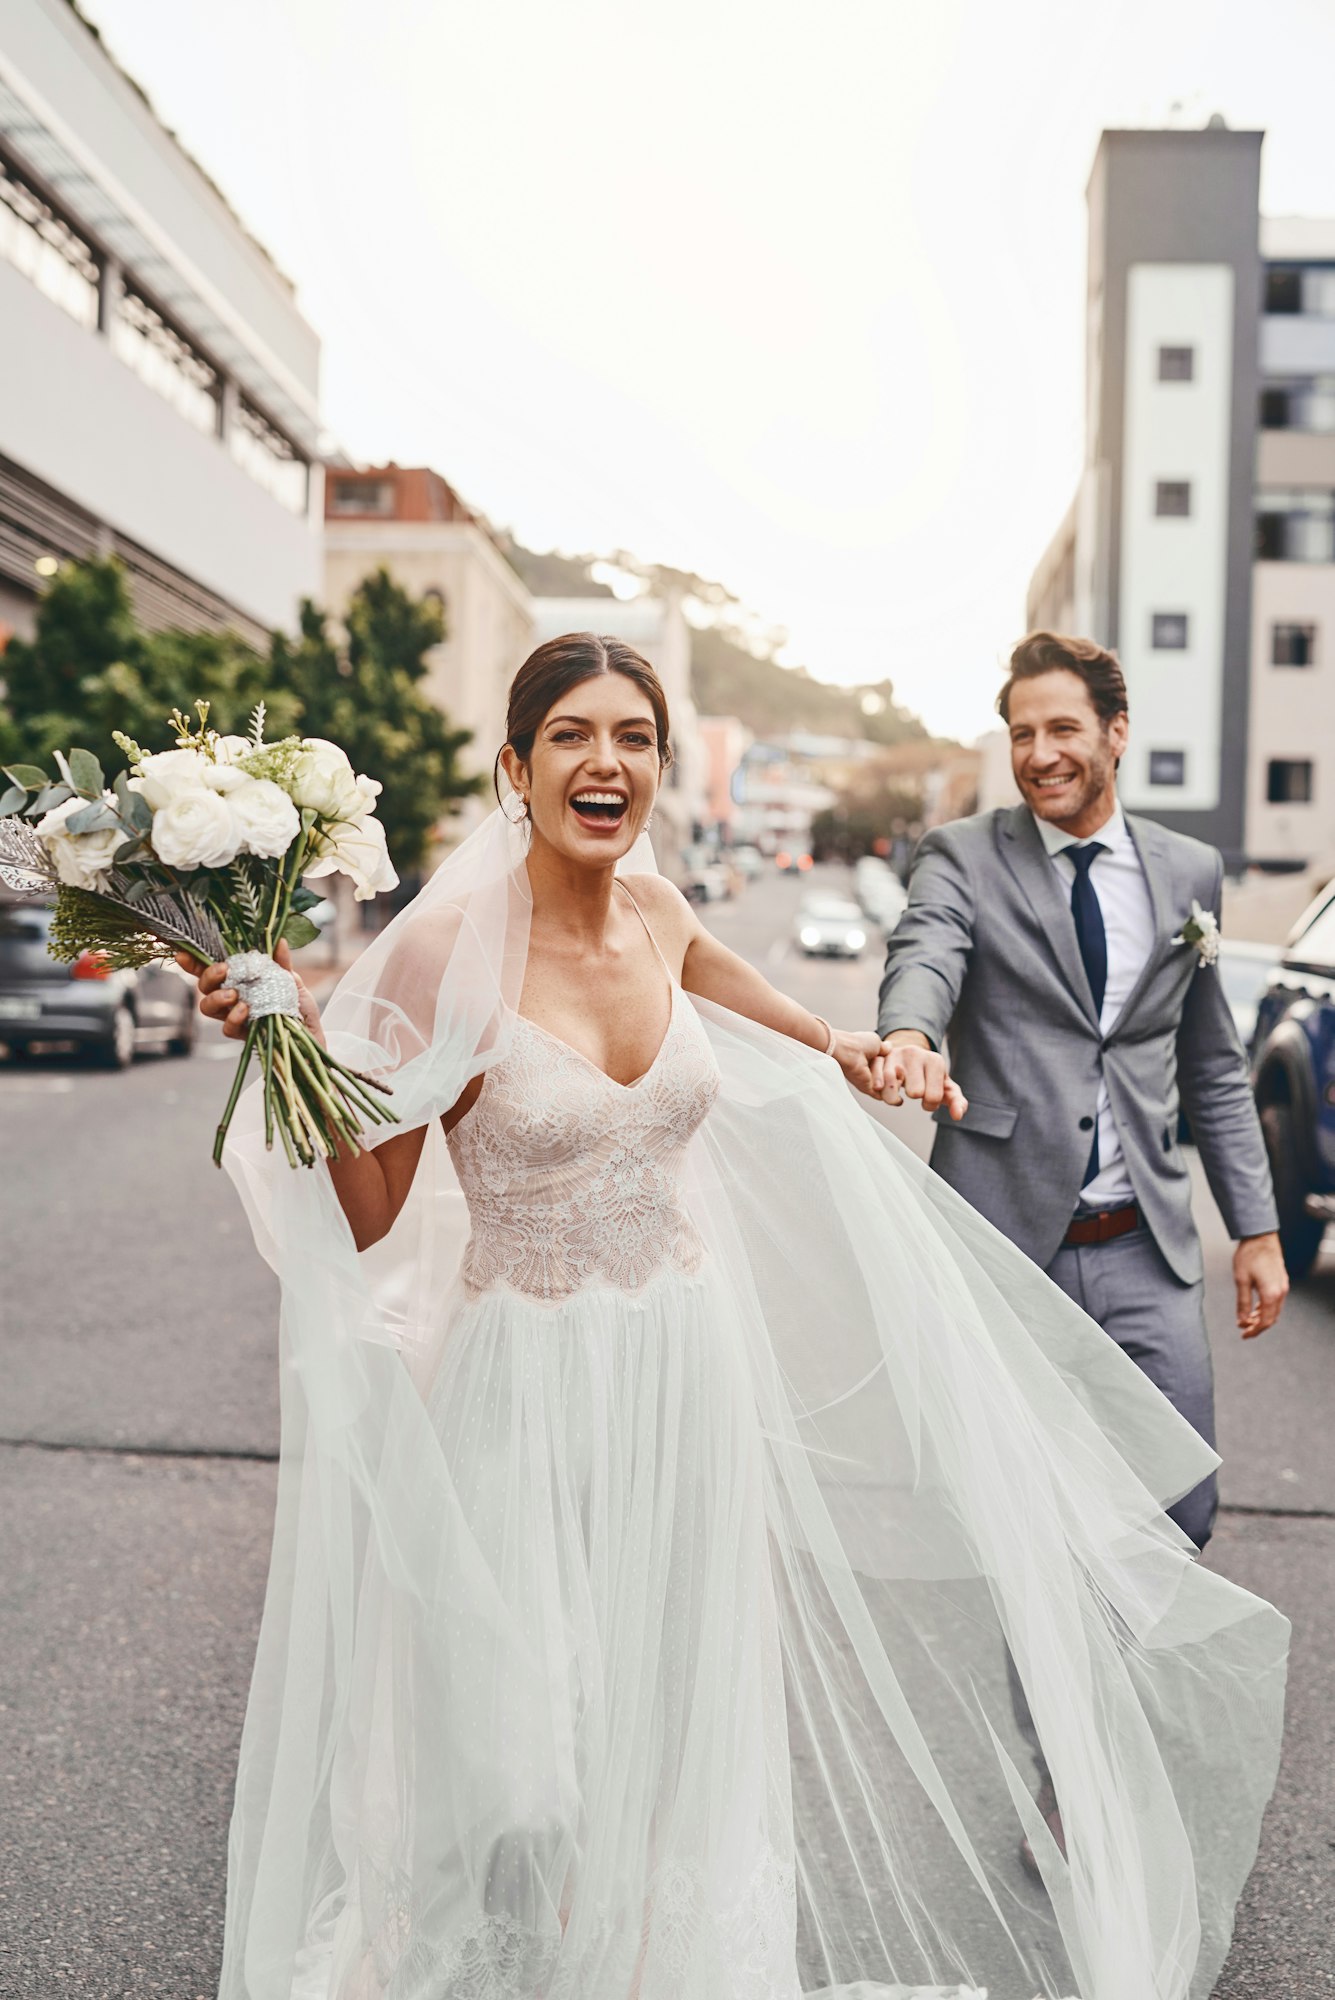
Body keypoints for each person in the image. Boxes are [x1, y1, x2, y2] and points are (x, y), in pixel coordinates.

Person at [188, 634, 1285, 2000]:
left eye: (635, 737)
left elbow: (774, 1016)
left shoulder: (659, 914)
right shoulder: (442, 955)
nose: (608, 763)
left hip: (683, 1374)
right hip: (522, 1388)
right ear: (515, 769)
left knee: (668, 1738)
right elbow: (367, 1214)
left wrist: (867, 1049)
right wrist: (281, 1042)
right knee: (515, 1770)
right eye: (575, 737)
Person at [877, 629, 1288, 1868]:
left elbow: (1210, 1062)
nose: (1040, 754)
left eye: (1063, 728)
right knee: (1037, 1516)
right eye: (1020, 733)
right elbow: (926, 956)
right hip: (1012, 1245)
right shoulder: (965, 856)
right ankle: (1069, 1772)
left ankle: (1093, 1687)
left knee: (1184, 1501)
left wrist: (1257, 1227)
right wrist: (910, 1034)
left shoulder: (1187, 871)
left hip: (1145, 1243)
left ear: (1115, 730)